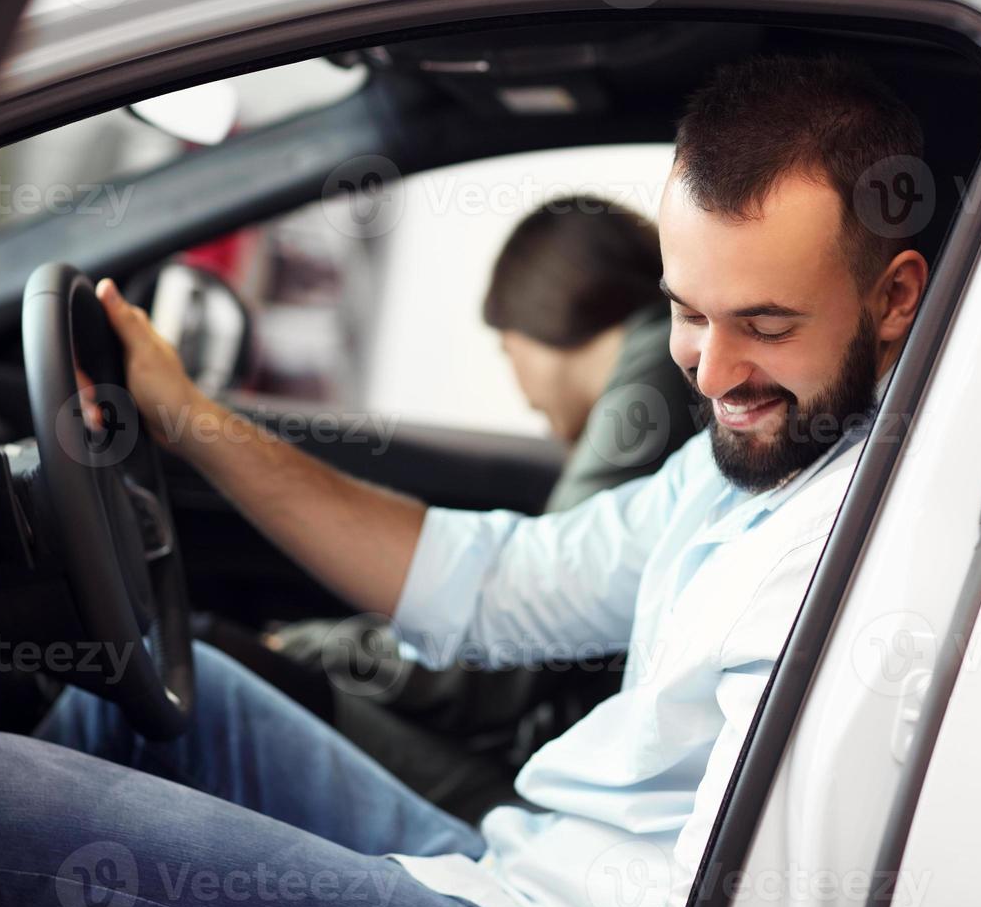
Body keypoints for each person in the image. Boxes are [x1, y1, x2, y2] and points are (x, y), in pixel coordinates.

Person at [0, 54, 928, 907]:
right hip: (503, 868)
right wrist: (183, 419)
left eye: (767, 327)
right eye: (686, 311)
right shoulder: (744, 468)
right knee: (139, 703)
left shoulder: (873, 556)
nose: (714, 373)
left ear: (893, 298)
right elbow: (490, 589)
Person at [247, 197, 699, 823]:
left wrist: (306, 648)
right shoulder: (659, 374)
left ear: (536, 321)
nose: (521, 392)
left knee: (252, 686)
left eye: (505, 352)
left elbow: (506, 653)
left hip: (561, 798)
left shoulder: (647, 394)